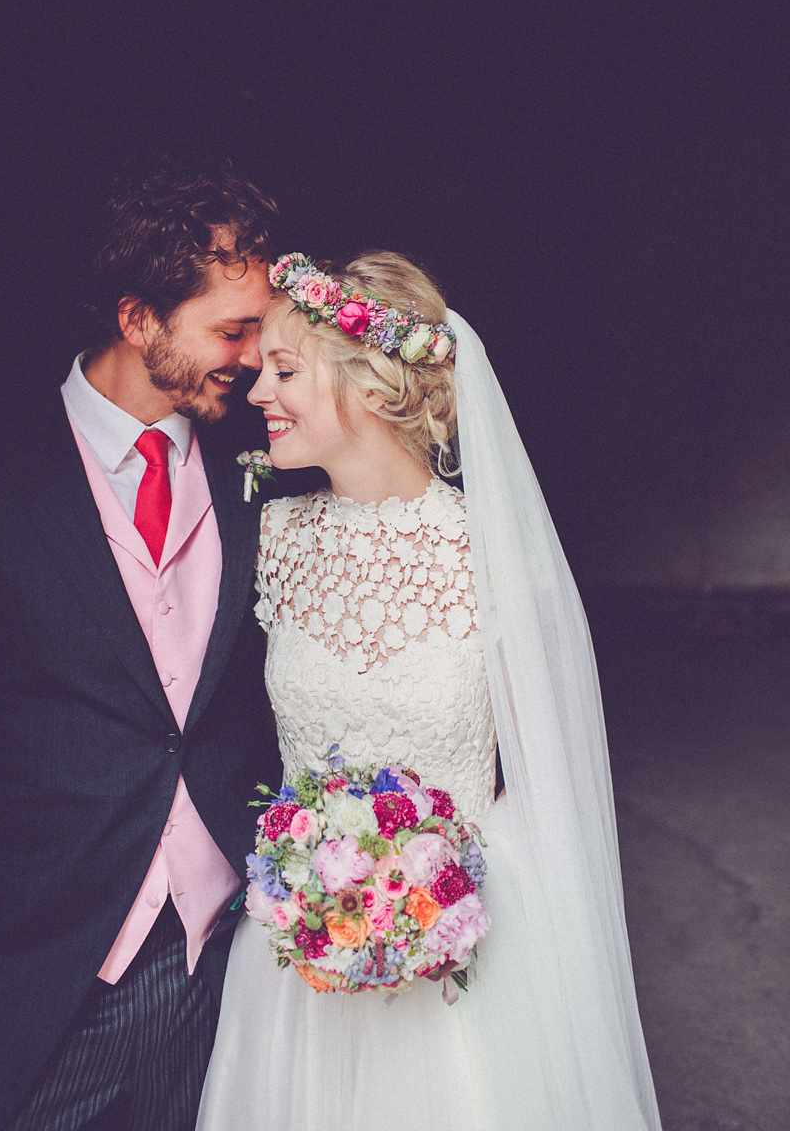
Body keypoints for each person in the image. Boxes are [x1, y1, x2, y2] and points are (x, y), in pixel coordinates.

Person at [0, 161, 298, 1131]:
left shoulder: (268, 469)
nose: (254, 358)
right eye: (231, 329)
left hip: (219, 967)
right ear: (137, 320)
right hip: (26, 974)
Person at [195, 250, 663, 1131]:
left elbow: (553, 787)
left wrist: (440, 892)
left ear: (374, 387)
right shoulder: (271, 537)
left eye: (285, 370)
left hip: (465, 942)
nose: (257, 392)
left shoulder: (494, 557)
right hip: (297, 953)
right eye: (259, 367)